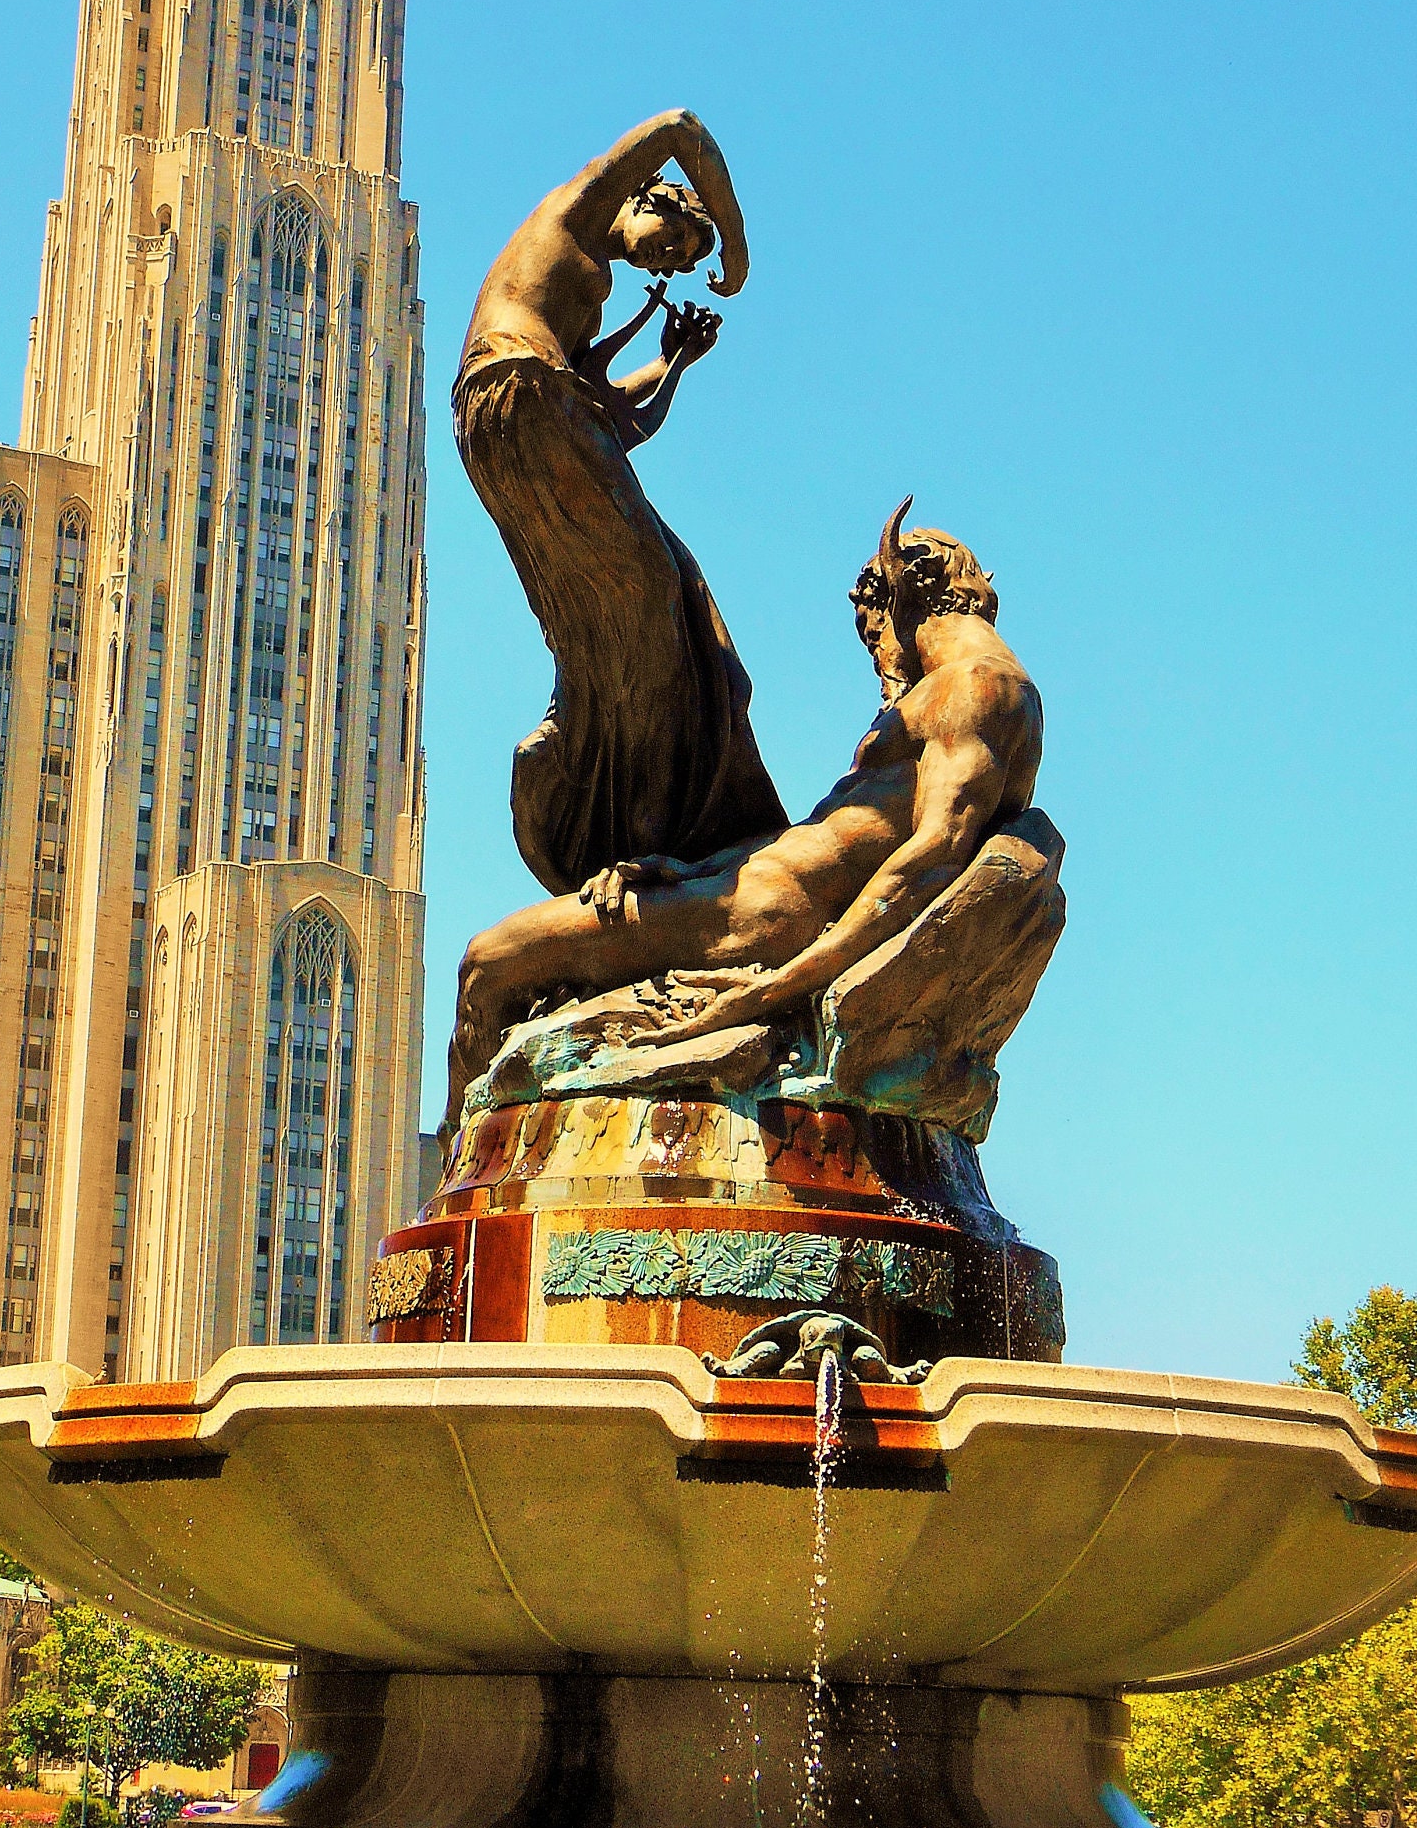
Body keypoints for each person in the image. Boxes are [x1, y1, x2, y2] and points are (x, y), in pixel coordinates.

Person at [447, 502, 1044, 1120]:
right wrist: (683, 868)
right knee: (499, 969)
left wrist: (781, 987)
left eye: (875, 633)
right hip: (740, 891)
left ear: (903, 587)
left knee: (487, 964)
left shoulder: (980, 687)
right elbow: (821, 840)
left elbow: (931, 859)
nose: (879, 659)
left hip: (764, 921)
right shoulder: (958, 694)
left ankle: (453, 1176)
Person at [455, 109, 785, 895]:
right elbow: (679, 126)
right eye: (676, 242)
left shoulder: (579, 309)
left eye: (688, 258)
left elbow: (618, 426)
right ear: (648, 200)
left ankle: (591, 767)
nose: (670, 264)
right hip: (519, 395)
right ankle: (637, 825)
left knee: (666, 601)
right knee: (650, 597)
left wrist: (674, 365)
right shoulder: (575, 210)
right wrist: (735, 244)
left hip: (525, 419)